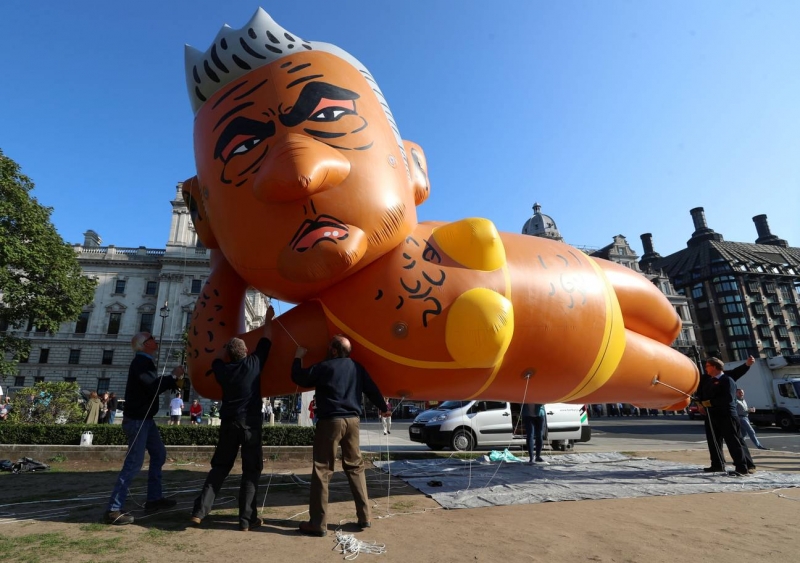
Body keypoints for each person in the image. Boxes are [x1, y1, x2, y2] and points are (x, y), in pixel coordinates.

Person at [291, 335, 390, 537]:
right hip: (353, 421)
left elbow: (299, 377)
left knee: (322, 469)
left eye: (329, 347)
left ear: (334, 350)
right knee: (355, 467)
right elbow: (371, 388)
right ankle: (365, 517)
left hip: (330, 422)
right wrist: (383, 407)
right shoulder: (357, 367)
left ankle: (318, 523)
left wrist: (297, 357)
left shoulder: (324, 367)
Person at [191, 306, 274, 531]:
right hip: (251, 425)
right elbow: (267, 337)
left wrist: (225, 350)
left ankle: (199, 511)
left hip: (229, 423)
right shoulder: (255, 363)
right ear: (246, 351)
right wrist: (267, 319)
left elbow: (217, 358)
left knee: (219, 468)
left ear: (230, 355)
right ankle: (246, 520)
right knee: (251, 471)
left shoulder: (222, 369)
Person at [104, 332, 185, 525]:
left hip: (146, 419)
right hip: (138, 420)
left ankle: (154, 499)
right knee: (133, 463)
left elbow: (153, 386)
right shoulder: (140, 362)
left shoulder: (145, 361)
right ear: (143, 345)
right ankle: (113, 509)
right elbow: (153, 386)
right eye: (151, 339)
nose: (155, 341)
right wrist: (173, 376)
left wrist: (172, 379)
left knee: (159, 454)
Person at [695, 357, 751, 476]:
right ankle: (717, 464)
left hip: (726, 415)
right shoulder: (709, 381)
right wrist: (700, 403)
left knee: (733, 441)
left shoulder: (727, 380)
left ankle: (741, 467)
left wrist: (709, 403)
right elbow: (702, 395)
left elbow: (727, 399)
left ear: (714, 367)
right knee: (714, 440)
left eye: (708, 366)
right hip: (712, 415)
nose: (706, 369)